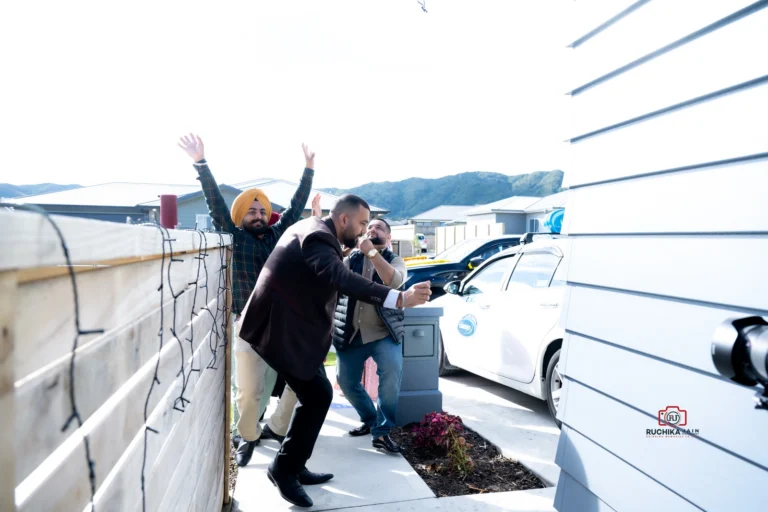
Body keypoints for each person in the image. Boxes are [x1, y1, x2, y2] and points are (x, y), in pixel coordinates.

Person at [238, 194, 432, 508]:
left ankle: (293, 464)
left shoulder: (318, 231)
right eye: (362, 223)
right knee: (318, 396)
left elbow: (321, 268)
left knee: (317, 394)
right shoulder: (317, 236)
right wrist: (400, 298)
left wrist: (353, 250)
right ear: (343, 219)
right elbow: (339, 277)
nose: (364, 231)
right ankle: (284, 470)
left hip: (292, 332)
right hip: (278, 332)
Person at [177, 134, 321, 467]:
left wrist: (308, 169)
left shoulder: (277, 236)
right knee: (247, 390)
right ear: (241, 215)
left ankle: (274, 427)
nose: (258, 215)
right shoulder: (234, 236)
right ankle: (248, 436)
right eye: (252, 211)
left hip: (281, 324)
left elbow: (295, 207)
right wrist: (201, 162)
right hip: (245, 323)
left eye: (262, 211)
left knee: (295, 383)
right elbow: (214, 201)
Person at [333, 218, 407, 453]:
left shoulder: (394, 260)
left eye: (380, 228)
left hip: (384, 333)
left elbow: (394, 281)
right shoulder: (349, 259)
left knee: (391, 376)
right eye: (370, 226)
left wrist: (372, 253)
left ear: (389, 237)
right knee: (346, 381)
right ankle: (370, 420)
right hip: (352, 333)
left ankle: (382, 433)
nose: (373, 229)